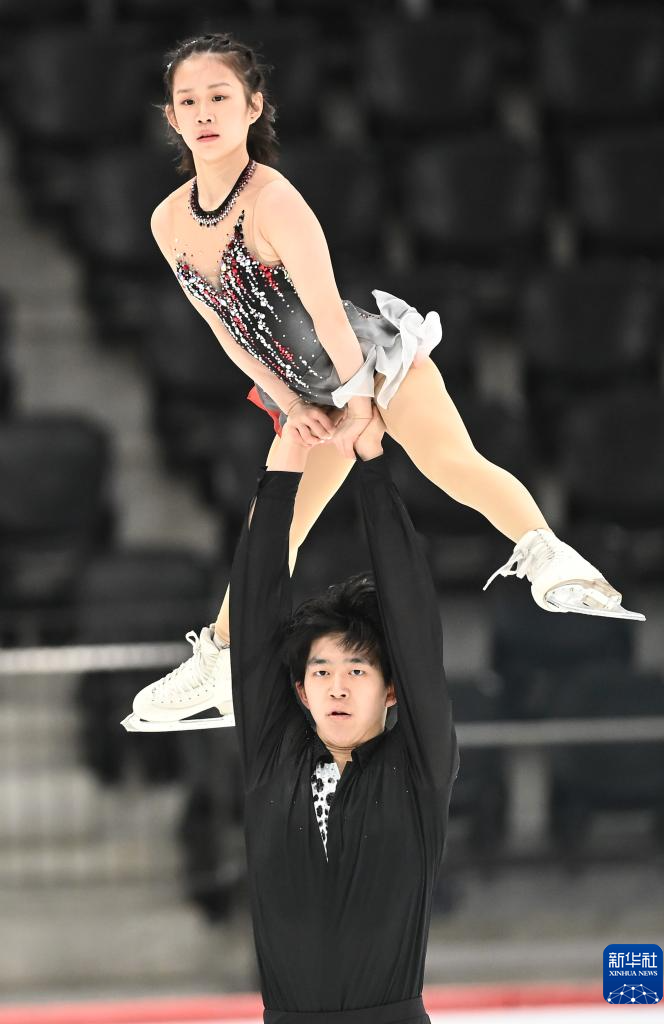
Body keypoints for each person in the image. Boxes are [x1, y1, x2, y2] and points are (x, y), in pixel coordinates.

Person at [121, 31, 643, 734]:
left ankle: (557, 562)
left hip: (366, 365)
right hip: (303, 389)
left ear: (253, 106)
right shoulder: (168, 220)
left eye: (220, 96)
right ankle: (222, 662)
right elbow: (225, 327)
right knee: (272, 527)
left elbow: (327, 312)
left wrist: (360, 401)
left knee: (451, 463)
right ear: (171, 116)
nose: (204, 112)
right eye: (189, 101)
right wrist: (292, 404)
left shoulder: (273, 200)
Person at [227, 402, 457, 1022]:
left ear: (391, 690)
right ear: (301, 691)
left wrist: (372, 464)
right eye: (322, 672)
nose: (336, 688)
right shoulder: (271, 758)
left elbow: (412, 617)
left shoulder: (420, 768)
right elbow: (255, 610)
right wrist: (287, 459)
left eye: (357, 672)